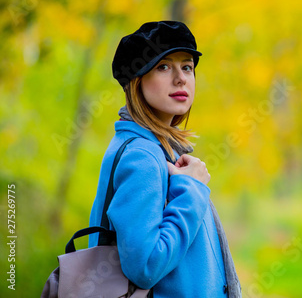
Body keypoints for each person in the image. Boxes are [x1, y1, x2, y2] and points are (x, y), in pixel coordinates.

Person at [88, 21, 241, 297]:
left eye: (187, 67)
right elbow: (145, 265)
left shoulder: (154, 149)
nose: (181, 78)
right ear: (137, 79)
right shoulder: (142, 157)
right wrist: (191, 190)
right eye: (163, 66)